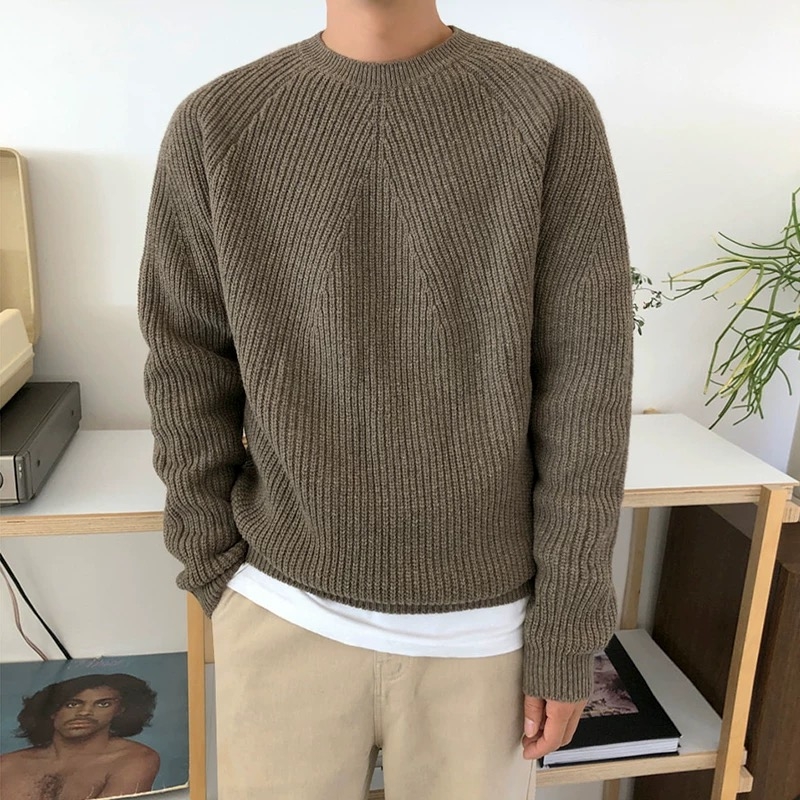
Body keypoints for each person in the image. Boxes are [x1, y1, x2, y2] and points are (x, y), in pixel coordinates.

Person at [137, 0, 633, 797]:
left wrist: (567, 632)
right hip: (281, 607)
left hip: (487, 634)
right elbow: (185, 361)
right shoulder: (216, 122)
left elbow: (588, 386)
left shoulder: (546, 109)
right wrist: (214, 569)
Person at [0, 673, 160, 799]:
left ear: (120, 710)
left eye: (103, 704)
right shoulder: (7, 764)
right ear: (52, 711)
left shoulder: (135, 758)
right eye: (72, 704)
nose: (84, 712)